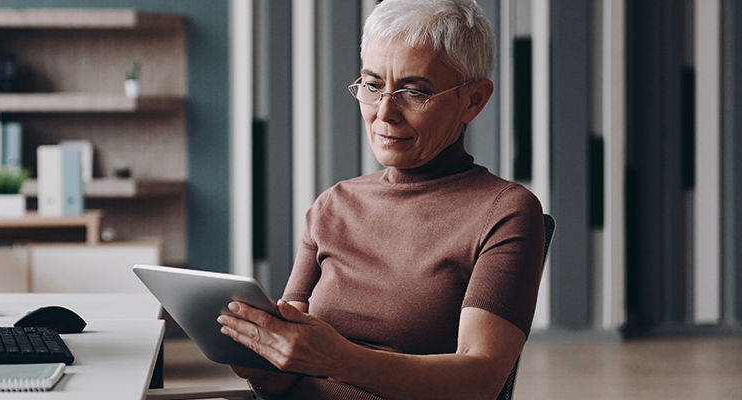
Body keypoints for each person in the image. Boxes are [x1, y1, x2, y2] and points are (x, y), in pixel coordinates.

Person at [216, 0, 545, 399]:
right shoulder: (333, 206)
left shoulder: (505, 211)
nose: (384, 113)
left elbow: (480, 379)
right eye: (372, 86)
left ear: (474, 100)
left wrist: (338, 359)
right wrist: (263, 358)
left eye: (414, 91)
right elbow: (289, 371)